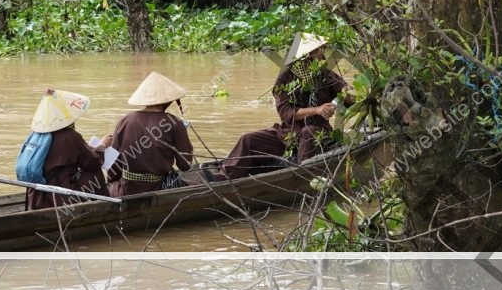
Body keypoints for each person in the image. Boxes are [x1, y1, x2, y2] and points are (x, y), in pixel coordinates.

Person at [221, 34, 348, 180]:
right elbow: (286, 113)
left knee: (309, 132)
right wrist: (317, 109)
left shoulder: (325, 75)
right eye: (318, 51)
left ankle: (301, 179)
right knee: (248, 139)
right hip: (288, 134)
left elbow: (347, 96)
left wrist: (348, 92)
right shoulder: (285, 78)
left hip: (319, 132)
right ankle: (224, 177)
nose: (322, 56)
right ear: (307, 56)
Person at [106, 72, 193, 197]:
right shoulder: (175, 123)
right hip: (161, 188)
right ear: (169, 101)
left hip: (126, 189)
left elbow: (113, 164)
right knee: (195, 184)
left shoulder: (125, 120)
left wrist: (112, 182)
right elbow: (185, 165)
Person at [24, 89, 108, 210]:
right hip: (59, 196)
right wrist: (101, 147)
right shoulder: (70, 136)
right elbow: (92, 163)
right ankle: (105, 207)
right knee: (94, 172)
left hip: (36, 197)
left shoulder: (34, 136)